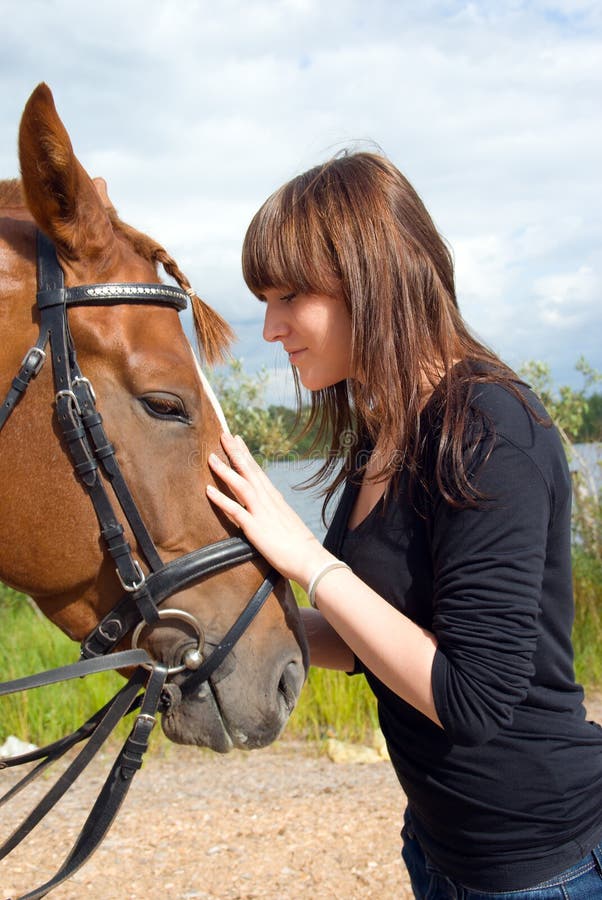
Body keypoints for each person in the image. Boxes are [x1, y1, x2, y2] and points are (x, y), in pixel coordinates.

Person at [205, 151, 602, 897]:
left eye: (290, 295)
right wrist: (215, 632)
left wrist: (308, 561)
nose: (270, 328)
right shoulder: (382, 434)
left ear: (372, 277)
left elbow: (474, 699)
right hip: (438, 849)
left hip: (545, 865)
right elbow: (364, 643)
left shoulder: (490, 430)